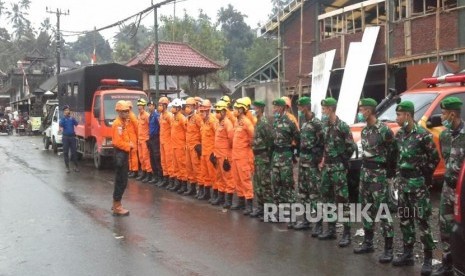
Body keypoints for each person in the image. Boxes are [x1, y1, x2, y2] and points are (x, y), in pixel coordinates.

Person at [392, 100, 439, 275]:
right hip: (403, 184)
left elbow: (434, 158)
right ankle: (408, 253)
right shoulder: (399, 135)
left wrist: (424, 175)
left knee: (423, 221)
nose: (397, 118)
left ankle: (428, 258)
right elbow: (398, 158)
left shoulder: (423, 135)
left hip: (417, 185)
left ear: (408, 115)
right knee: (405, 219)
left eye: (399, 115)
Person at [352, 98, 395, 264]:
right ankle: (368, 242)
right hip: (366, 172)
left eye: (362, 110)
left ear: (369, 111)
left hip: (379, 172)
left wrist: (389, 171)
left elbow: (393, 151)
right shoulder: (365, 131)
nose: (360, 113)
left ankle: (388, 248)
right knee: (366, 207)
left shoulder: (383, 130)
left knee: (383, 210)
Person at [433, 97, 465, 276]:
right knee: (444, 225)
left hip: (463, 190)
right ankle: (447, 262)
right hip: (447, 188)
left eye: (444, 113)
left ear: (453, 114)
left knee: (461, 228)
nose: (442, 117)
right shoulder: (444, 135)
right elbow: (445, 158)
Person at [318, 97, 355, 248]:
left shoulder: (342, 126)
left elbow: (351, 146)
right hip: (327, 167)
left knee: (342, 200)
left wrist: (342, 160)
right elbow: (325, 146)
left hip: (338, 168)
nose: (323, 111)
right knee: (326, 197)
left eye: (324, 109)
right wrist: (323, 160)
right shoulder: (325, 126)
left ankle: (347, 233)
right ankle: (331, 229)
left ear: (331, 109)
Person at [293, 97, 324, 231]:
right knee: (303, 192)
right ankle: (306, 220)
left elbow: (323, 142)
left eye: (300, 107)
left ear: (306, 107)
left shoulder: (317, 123)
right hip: (303, 161)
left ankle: (318, 222)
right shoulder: (304, 124)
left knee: (314, 193)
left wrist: (318, 158)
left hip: (312, 161)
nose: (299, 110)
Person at [271, 98, 300, 225]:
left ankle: (292, 214)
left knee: (287, 185)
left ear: (283, 107)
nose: (275, 109)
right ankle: (279, 212)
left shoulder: (290, 121)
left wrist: (294, 153)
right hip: (276, 155)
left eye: (277, 107)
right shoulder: (276, 121)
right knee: (276, 185)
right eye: (274, 107)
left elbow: (298, 138)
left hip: (286, 155)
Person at [230, 98, 255, 214]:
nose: (234, 110)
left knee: (245, 179)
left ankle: (249, 203)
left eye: (236, 108)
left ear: (242, 109)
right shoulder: (237, 121)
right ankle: (241, 201)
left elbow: (252, 138)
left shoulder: (246, 122)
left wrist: (247, 150)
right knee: (237, 179)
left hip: (243, 156)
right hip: (235, 156)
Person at [249, 100, 274, 219]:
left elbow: (269, 140)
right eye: (254, 108)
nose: (255, 110)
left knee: (265, 185)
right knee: (258, 184)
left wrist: (267, 156)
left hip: (263, 157)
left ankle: (268, 211)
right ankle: (260, 208)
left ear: (261, 109)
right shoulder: (257, 122)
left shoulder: (264, 122)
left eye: (257, 108)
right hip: (257, 157)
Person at [111, 100, 133, 216]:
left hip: (123, 153)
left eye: (127, 111)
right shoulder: (117, 124)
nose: (127, 113)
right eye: (124, 111)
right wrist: (128, 146)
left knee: (122, 180)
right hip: (120, 153)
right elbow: (117, 142)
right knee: (121, 181)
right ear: (119, 112)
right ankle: (117, 205)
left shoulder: (123, 123)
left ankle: (116, 203)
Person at [212, 100, 235, 207]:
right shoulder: (219, 123)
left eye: (218, 111)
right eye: (216, 110)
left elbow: (231, 139)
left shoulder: (227, 123)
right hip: (218, 154)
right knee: (219, 177)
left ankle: (229, 200)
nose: (217, 113)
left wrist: (227, 154)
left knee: (228, 178)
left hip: (225, 155)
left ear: (224, 112)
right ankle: (221, 198)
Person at [198, 99, 218, 200]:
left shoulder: (212, 121)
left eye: (203, 111)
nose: (201, 113)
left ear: (208, 110)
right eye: (200, 111)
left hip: (211, 152)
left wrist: (215, 152)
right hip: (204, 152)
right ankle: (207, 193)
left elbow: (218, 137)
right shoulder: (203, 122)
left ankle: (215, 194)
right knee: (205, 173)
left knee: (213, 174)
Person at [184, 97, 203, 196]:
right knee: (189, 167)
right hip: (188, 147)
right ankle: (192, 187)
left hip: (195, 147)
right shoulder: (188, 118)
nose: (187, 108)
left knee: (197, 168)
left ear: (194, 107)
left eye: (188, 106)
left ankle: (200, 188)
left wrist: (200, 145)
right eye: (186, 106)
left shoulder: (197, 118)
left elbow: (202, 130)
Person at [169, 98, 188, 193]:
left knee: (182, 165)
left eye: (174, 107)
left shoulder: (182, 118)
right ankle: (178, 183)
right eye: (172, 107)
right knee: (175, 165)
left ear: (178, 108)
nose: (172, 109)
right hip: (174, 145)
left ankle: (184, 185)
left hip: (180, 145)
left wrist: (185, 143)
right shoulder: (173, 118)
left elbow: (186, 131)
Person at [157, 97, 174, 188]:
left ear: (165, 106)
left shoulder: (169, 116)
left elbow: (173, 129)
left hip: (168, 142)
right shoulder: (161, 115)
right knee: (163, 161)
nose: (159, 107)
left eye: (161, 105)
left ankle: (171, 181)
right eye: (159, 105)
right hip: (162, 141)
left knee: (169, 161)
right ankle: (166, 179)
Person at [136, 98, 153, 183]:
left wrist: (149, 139)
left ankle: (149, 173)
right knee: (141, 157)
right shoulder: (139, 116)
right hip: (140, 140)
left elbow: (150, 127)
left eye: (141, 105)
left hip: (145, 140)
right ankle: (144, 172)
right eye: (138, 105)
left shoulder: (147, 116)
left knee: (146, 157)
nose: (139, 107)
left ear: (144, 106)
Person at [59, 105, 79, 173]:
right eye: (66, 110)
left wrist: (74, 118)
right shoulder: (62, 119)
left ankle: (76, 166)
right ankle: (67, 167)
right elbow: (61, 125)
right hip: (65, 137)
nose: (67, 111)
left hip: (72, 137)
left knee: (74, 152)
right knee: (65, 152)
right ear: (64, 112)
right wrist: (64, 117)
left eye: (68, 110)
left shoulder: (72, 118)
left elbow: (76, 124)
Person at [147, 100, 162, 184]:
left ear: (154, 106)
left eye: (151, 105)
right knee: (152, 157)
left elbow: (160, 126)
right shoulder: (150, 116)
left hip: (156, 138)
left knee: (157, 158)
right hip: (151, 138)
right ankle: (155, 176)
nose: (149, 107)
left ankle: (160, 177)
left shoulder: (156, 116)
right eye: (148, 106)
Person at [126, 101, 139, 178]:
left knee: (133, 155)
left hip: (133, 137)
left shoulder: (132, 116)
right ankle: (131, 169)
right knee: (130, 155)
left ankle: (135, 170)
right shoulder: (128, 116)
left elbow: (136, 127)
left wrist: (137, 137)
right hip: (128, 137)